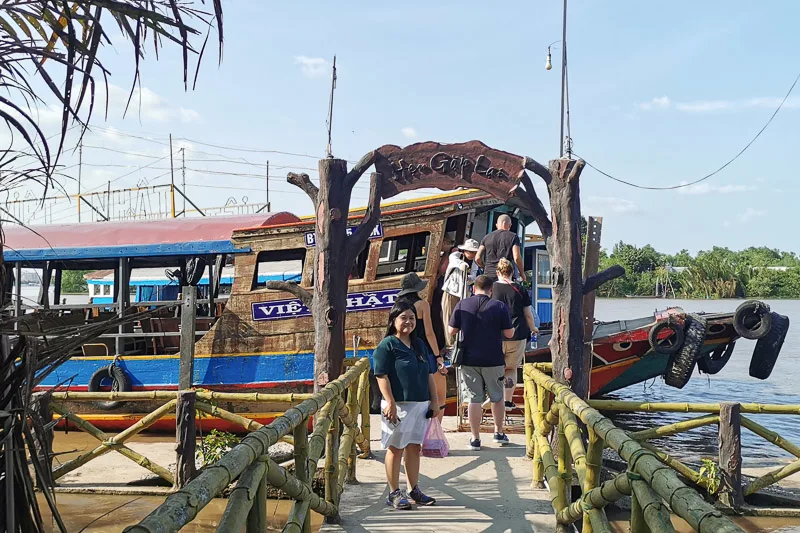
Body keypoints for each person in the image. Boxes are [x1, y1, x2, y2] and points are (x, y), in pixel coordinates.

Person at [373, 300, 439, 510]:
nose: (408, 322)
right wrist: (390, 401)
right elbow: (381, 375)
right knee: (396, 448)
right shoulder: (388, 345)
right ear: (393, 321)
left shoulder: (419, 344)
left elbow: (429, 373)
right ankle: (393, 492)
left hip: (420, 405)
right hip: (398, 405)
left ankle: (413, 489)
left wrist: (435, 401)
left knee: (414, 447)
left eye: (412, 318)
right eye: (404, 318)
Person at [448, 275, 514, 450]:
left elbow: (451, 330)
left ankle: (475, 438)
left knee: (474, 399)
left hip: (469, 359)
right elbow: (509, 334)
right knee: (497, 397)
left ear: (473, 288)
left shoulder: (462, 305)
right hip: (493, 359)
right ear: (491, 290)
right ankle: (498, 433)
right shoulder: (499, 306)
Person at [396, 272, 448, 422]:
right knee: (438, 394)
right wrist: (438, 356)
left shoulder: (398, 306)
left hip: (405, 350)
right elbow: (429, 333)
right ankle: (435, 430)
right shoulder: (422, 304)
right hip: (424, 351)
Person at [492, 258, 539, 411]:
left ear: (497, 272)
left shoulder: (492, 288)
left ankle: (494, 399)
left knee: (494, 367)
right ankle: (507, 401)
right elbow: (528, 314)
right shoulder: (521, 289)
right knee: (511, 368)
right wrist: (533, 329)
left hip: (495, 336)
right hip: (517, 334)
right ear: (512, 272)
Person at [441, 238, 479, 346]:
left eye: (474, 252)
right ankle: (450, 345)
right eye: (470, 251)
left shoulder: (475, 263)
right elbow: (456, 262)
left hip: (465, 296)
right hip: (451, 293)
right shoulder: (456, 255)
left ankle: (461, 344)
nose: (472, 254)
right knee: (449, 319)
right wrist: (463, 265)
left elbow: (473, 277)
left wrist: (470, 278)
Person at [476, 214, 526, 282]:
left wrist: (484, 267)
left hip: (488, 275)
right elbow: (517, 257)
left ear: (496, 225)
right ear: (510, 225)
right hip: (505, 275)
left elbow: (477, 258)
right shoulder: (513, 237)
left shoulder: (486, 237)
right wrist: (522, 274)